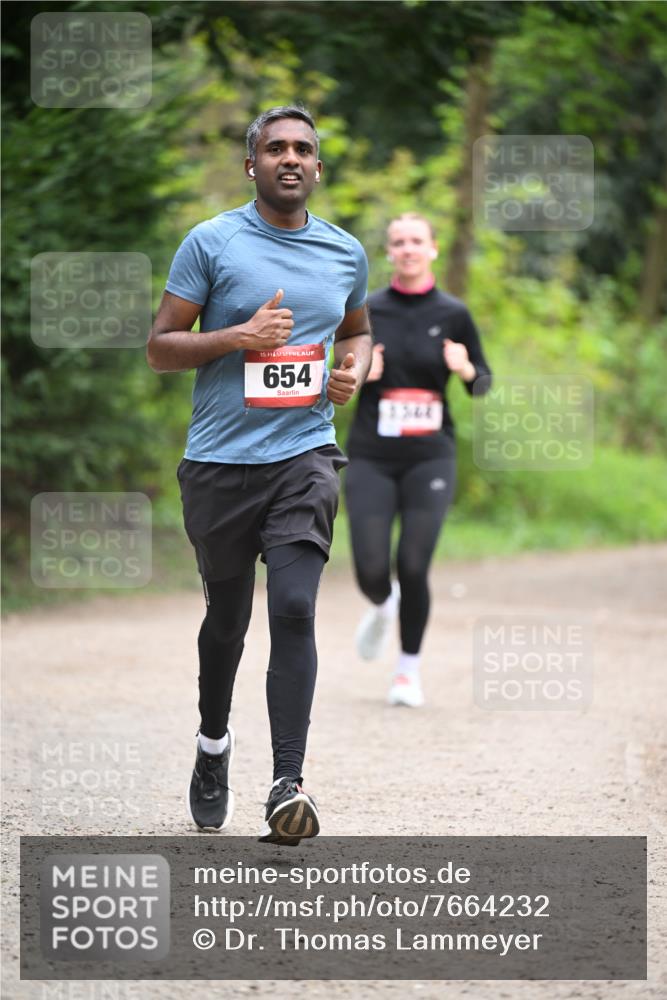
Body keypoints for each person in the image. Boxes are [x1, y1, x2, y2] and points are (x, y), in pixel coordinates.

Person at [146, 105, 371, 844]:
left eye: (303, 148)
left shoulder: (344, 253)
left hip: (304, 456)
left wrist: (353, 370)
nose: (289, 158)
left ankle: (286, 783)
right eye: (275, 148)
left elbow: (358, 331)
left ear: (318, 168)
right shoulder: (212, 242)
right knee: (227, 621)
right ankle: (213, 743)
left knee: (296, 608)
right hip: (219, 465)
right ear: (252, 165)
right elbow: (160, 347)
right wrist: (237, 336)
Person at [345, 212, 491, 707]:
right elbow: (336, 377)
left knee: (412, 563)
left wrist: (465, 368)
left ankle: (407, 671)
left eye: (416, 241)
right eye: (398, 242)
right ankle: (383, 605)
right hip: (372, 454)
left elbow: (482, 383)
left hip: (430, 457)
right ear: (389, 252)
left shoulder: (454, 313)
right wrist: (361, 373)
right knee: (370, 567)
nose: (407, 249)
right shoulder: (365, 311)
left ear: (432, 249)